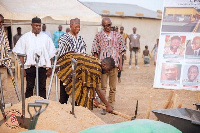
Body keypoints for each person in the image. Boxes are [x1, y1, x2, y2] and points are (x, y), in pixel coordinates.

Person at [12, 17, 57, 99]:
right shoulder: (25, 37)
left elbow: (51, 54)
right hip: (30, 67)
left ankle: (42, 106)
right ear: (32, 25)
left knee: (42, 87)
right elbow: (20, 53)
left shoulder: (46, 38)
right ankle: (27, 104)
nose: (38, 27)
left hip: (42, 67)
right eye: (36, 25)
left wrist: (49, 68)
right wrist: (23, 68)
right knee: (29, 87)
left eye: (39, 26)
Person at [91, 17, 126, 115]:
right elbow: (95, 50)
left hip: (114, 65)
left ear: (111, 24)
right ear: (102, 26)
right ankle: (104, 105)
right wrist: (97, 63)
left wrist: (120, 63)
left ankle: (111, 104)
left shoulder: (118, 35)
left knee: (113, 87)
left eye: (109, 25)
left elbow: (121, 51)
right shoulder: (98, 35)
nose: (107, 27)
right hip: (103, 67)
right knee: (103, 87)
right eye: (105, 25)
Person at [58, 18, 86, 104]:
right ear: (70, 26)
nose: (78, 28)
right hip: (67, 71)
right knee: (64, 97)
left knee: (77, 96)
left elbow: (84, 53)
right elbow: (61, 54)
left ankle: (75, 115)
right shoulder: (64, 38)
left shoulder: (81, 39)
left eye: (79, 27)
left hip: (78, 72)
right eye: (76, 26)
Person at [0, 14, 11, 90]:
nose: (1, 24)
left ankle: (1, 101)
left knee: (3, 87)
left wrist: (8, 61)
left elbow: (7, 47)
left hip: (2, 64)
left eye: (2, 22)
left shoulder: (3, 33)